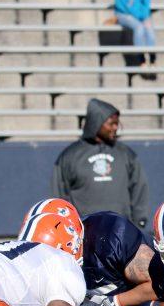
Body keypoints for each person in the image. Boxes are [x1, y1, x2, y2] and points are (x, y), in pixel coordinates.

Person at [52, 99, 149, 230]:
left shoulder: (126, 154)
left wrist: (139, 224)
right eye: (111, 124)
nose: (116, 128)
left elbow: (139, 189)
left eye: (117, 124)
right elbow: (59, 197)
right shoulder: (69, 156)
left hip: (121, 233)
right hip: (85, 234)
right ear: (96, 123)